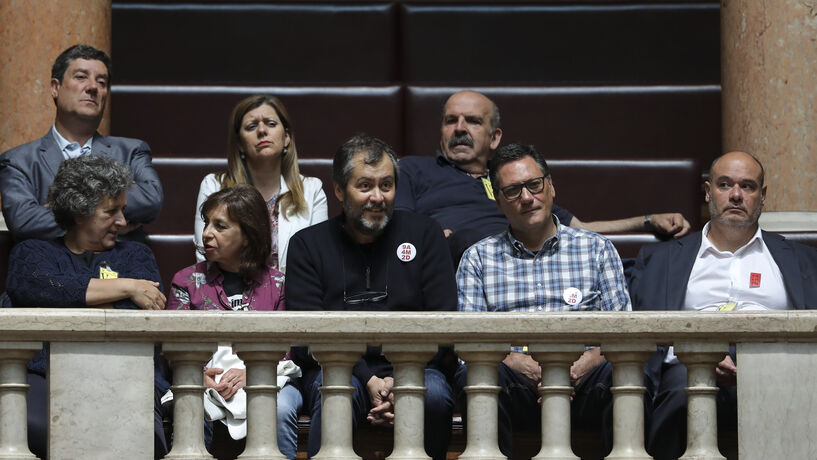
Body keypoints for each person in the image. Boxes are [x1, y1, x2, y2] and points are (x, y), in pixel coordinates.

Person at [629, 151, 817, 460]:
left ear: (763, 195)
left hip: (777, 368)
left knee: (794, 399)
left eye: (748, 186)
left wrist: (758, 365)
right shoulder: (660, 260)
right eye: (725, 184)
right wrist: (697, 355)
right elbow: (642, 332)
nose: (736, 195)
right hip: (688, 366)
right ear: (707, 192)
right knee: (680, 393)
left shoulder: (802, 260)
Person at [285, 134, 458, 460]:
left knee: (432, 395)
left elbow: (444, 322)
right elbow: (307, 338)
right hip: (336, 368)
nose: (377, 197)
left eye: (387, 185)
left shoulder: (426, 233)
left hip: (419, 365)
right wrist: (369, 379)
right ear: (339, 190)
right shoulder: (307, 245)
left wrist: (400, 378)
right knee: (336, 393)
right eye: (364, 186)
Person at [457, 143, 632, 457]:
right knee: (479, 376)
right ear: (498, 201)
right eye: (512, 191)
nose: (526, 198)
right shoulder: (477, 259)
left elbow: (624, 335)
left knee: (627, 372)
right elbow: (468, 346)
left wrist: (579, 366)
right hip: (512, 385)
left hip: (588, 382)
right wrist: (520, 364)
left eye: (534, 185)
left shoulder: (597, 249)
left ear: (551, 187)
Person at [2, 155, 169, 459]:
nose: (122, 221)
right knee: (33, 428)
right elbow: (34, 287)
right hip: (43, 374)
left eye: (123, 210)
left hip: (125, 374)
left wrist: (66, 293)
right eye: (111, 212)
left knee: (141, 438)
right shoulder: (32, 252)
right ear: (80, 213)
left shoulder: (136, 256)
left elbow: (144, 311)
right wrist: (127, 287)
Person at [395, 90, 691, 256]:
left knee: (645, 262)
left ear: (494, 137)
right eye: (451, 121)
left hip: (533, 259)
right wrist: (434, 237)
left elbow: (581, 228)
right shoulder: (413, 169)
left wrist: (648, 220)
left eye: (472, 121)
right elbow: (400, 225)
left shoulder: (513, 181)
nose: (459, 128)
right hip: (460, 264)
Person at [168, 184, 299, 459]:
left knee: (281, 409)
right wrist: (200, 374)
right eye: (206, 224)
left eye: (220, 226)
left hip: (268, 377)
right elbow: (173, 345)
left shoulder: (278, 284)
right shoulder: (186, 282)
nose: (206, 233)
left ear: (247, 236)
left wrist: (254, 372)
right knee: (189, 406)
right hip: (202, 380)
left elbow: (286, 349)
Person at [0, 44, 162, 241]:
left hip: (116, 267)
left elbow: (151, 200)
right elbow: (24, 221)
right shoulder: (18, 161)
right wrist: (104, 217)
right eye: (81, 77)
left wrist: (63, 209)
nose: (93, 87)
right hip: (49, 267)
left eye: (101, 82)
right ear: (55, 88)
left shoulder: (131, 151)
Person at [193, 94, 328, 272]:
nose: (262, 131)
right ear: (240, 144)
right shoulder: (214, 185)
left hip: (294, 296)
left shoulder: (312, 190)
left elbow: (318, 260)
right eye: (251, 126)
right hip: (228, 295)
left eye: (271, 124)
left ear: (286, 137)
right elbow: (206, 255)